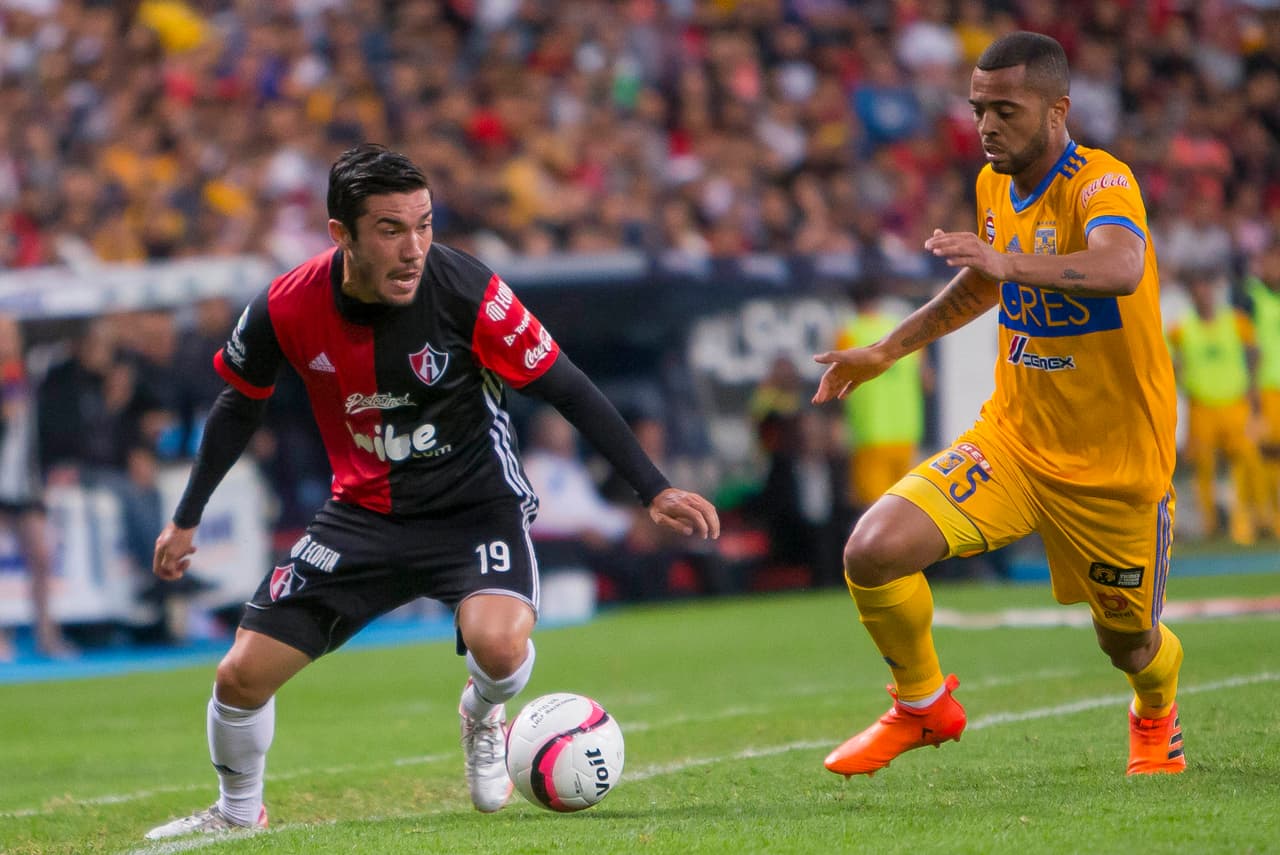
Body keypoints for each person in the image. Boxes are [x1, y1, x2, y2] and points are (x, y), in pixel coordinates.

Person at [144, 144, 719, 840]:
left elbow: (564, 382)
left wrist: (650, 487)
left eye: (424, 224)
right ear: (341, 236)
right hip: (361, 517)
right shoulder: (284, 306)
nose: (414, 247)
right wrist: (186, 517)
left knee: (501, 649)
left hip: (474, 508)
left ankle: (482, 710)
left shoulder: (465, 289)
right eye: (390, 228)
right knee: (238, 675)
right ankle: (237, 814)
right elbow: (239, 403)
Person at [812, 32, 1185, 780]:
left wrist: (1010, 262)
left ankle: (1155, 710)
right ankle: (922, 705)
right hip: (1012, 444)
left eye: (1005, 110)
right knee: (873, 549)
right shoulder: (994, 185)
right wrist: (889, 348)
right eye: (979, 108)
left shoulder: (1099, 182)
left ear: (1058, 111)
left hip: (1113, 468)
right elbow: (985, 283)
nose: (986, 126)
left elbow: (1121, 264)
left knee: (1129, 646)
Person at [1166, 270, 1264, 544]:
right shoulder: (1180, 329)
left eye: (1207, 290)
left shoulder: (1236, 322)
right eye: (1198, 292)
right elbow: (1170, 361)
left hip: (1235, 403)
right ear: (1191, 296)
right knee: (1204, 468)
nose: (1204, 296)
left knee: (1247, 461)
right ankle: (1210, 526)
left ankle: (1248, 523)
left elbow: (1254, 351)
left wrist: (1252, 386)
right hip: (1202, 406)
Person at [0, 314, 75, 661]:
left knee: (42, 556)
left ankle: (46, 632)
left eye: (11, 334)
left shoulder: (28, 372)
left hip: (23, 482)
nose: (7, 341)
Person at [834, 279, 931, 513]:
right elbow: (927, 381)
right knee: (907, 508)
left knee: (874, 511)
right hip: (906, 432)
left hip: (870, 433)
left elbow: (836, 383)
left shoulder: (849, 334)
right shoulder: (903, 331)